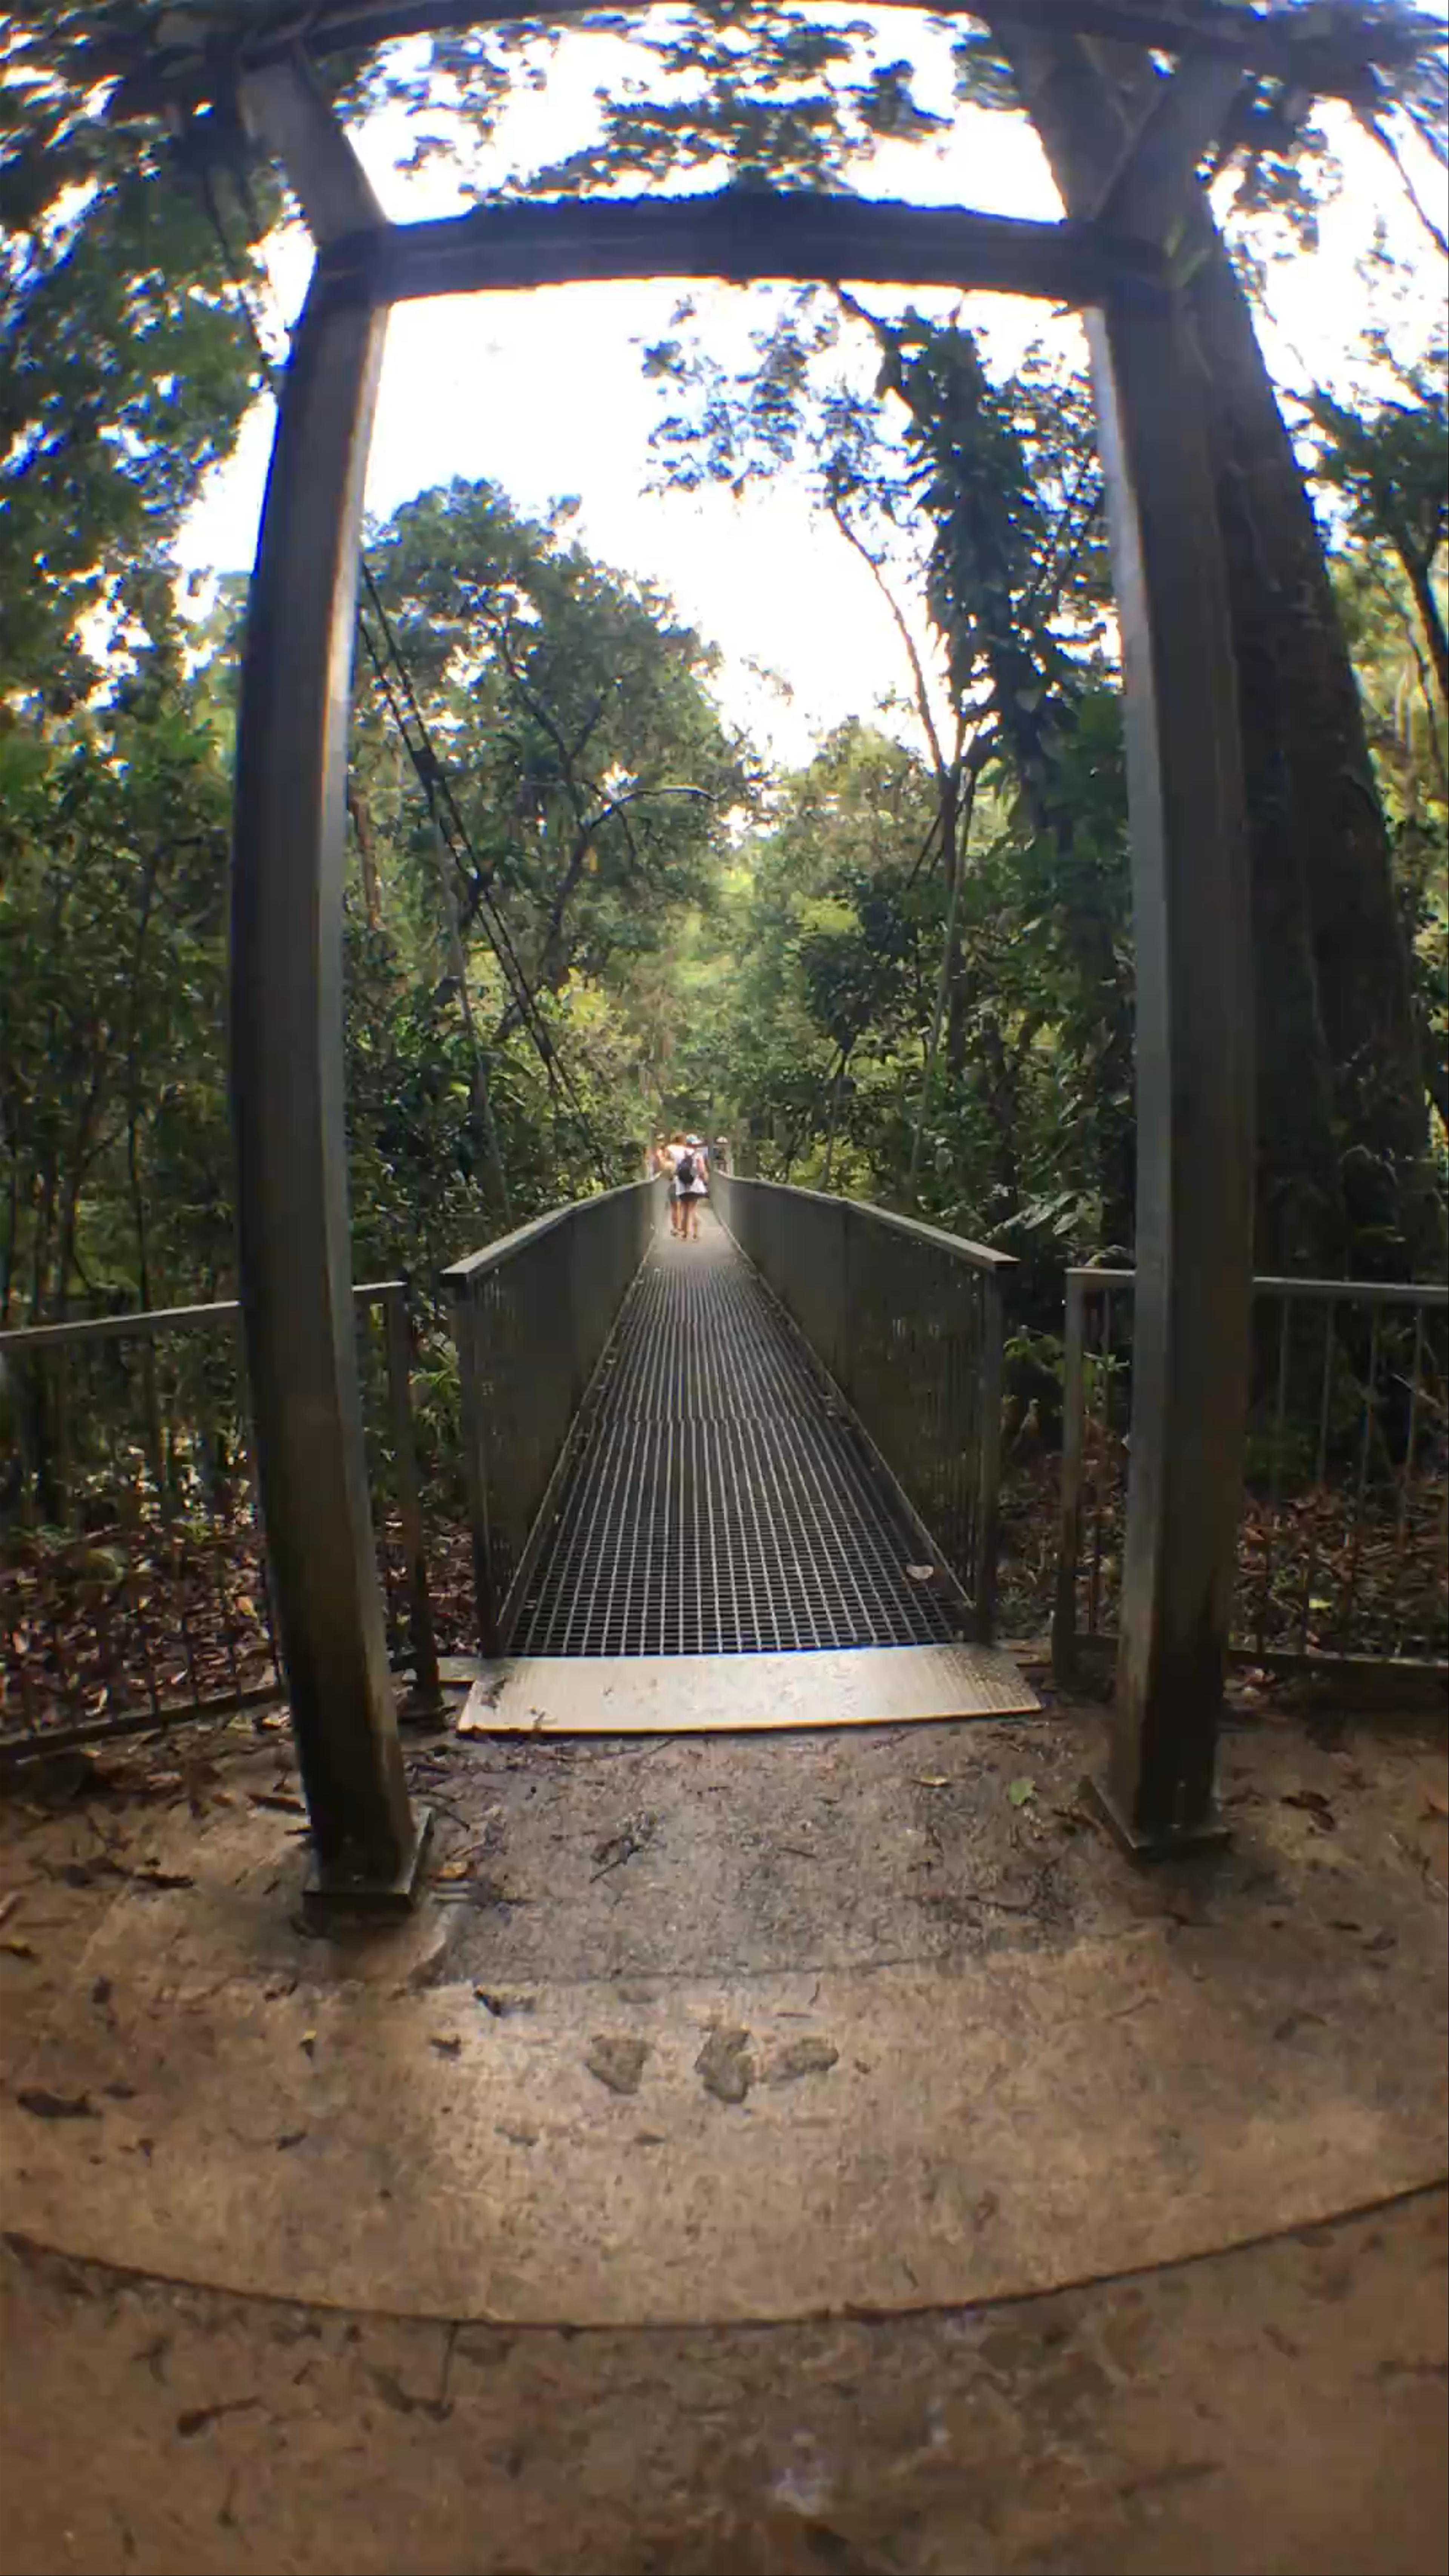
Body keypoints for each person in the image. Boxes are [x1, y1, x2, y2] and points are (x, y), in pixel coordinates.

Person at [677, 1133, 708, 1241]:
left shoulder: (681, 1154)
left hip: (682, 1186)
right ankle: (695, 1234)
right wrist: (705, 1180)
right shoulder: (698, 1155)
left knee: (685, 1209)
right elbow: (702, 1170)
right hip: (694, 1186)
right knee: (693, 1209)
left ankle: (685, 1234)